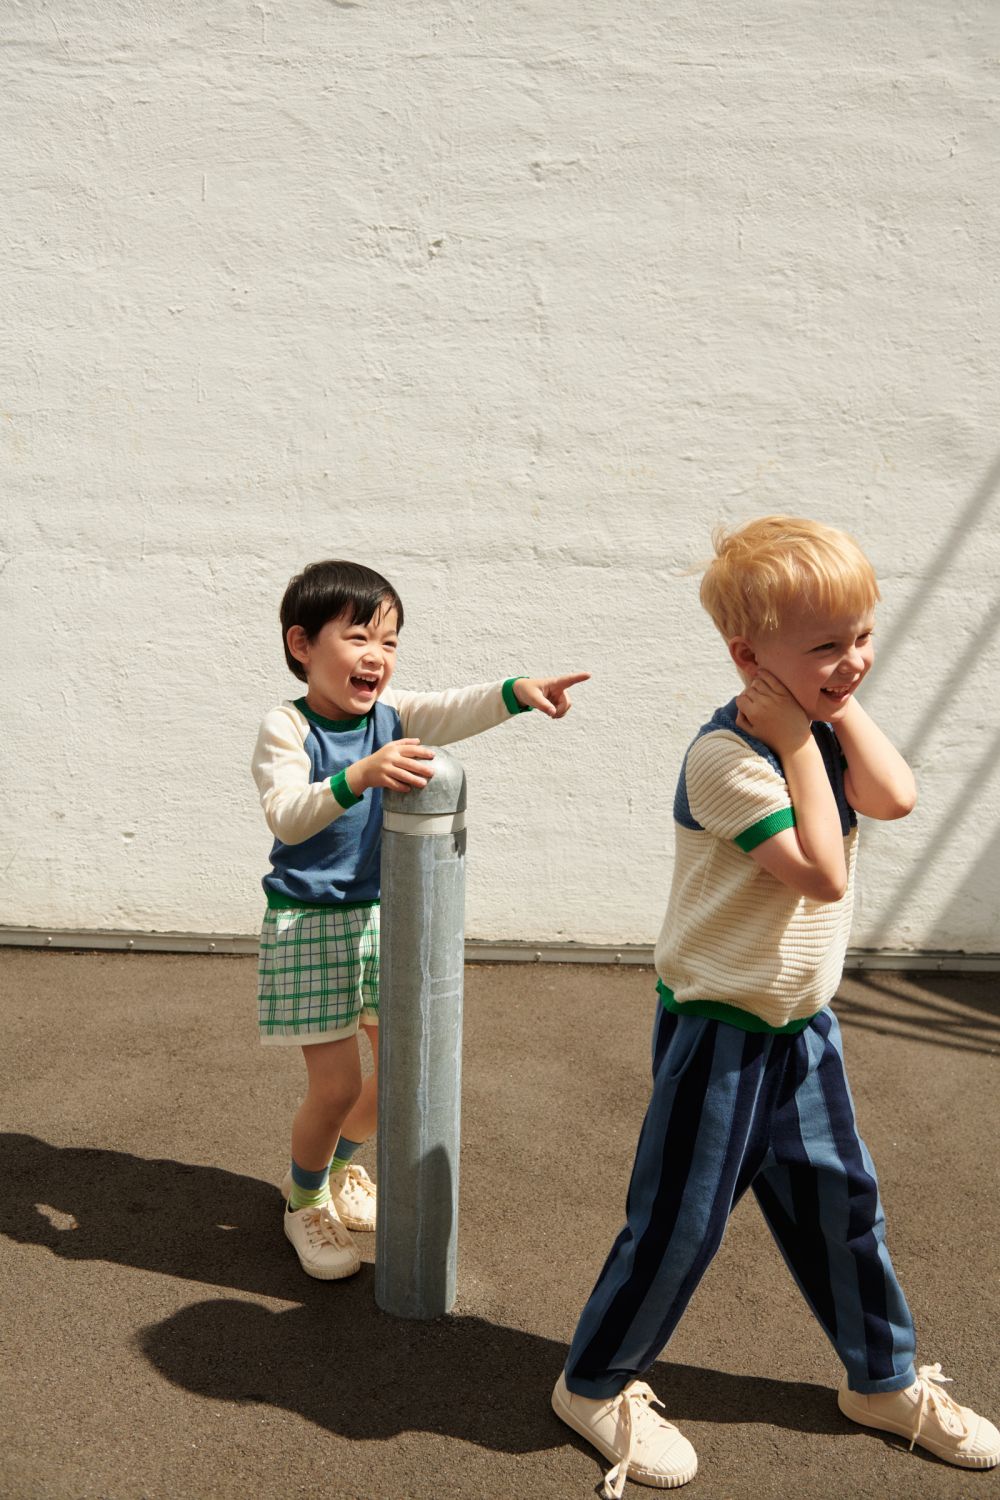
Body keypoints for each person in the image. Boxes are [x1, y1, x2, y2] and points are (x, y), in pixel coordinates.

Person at [551, 516, 999, 1494]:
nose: (855, 660)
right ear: (748, 658)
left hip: (800, 1028)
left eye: (863, 635)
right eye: (828, 645)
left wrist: (828, 714)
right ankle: (594, 1384)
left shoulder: (817, 732)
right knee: (681, 1224)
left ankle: (882, 1381)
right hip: (719, 1031)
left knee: (844, 1208)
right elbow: (823, 875)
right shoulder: (728, 761)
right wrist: (800, 738)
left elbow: (894, 798)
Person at [252, 558, 587, 1281]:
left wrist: (517, 693)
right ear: (302, 644)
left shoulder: (393, 714)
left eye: (390, 641)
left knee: (402, 1069)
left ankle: (334, 1169)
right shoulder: (287, 726)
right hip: (309, 924)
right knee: (337, 1087)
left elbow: (457, 707)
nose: (376, 655)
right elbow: (287, 815)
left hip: (383, 918)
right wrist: (357, 776)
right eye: (358, 637)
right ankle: (303, 1202)